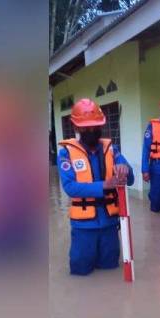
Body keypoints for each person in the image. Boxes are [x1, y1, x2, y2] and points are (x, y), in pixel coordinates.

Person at [57, 98, 134, 275]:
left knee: (110, 269)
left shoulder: (112, 151)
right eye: (86, 128)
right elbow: (70, 187)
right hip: (83, 227)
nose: (92, 131)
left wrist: (125, 170)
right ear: (76, 127)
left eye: (95, 126)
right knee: (80, 272)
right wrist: (104, 185)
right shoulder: (65, 154)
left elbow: (130, 180)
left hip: (109, 225)